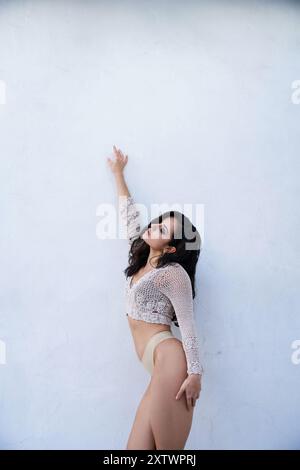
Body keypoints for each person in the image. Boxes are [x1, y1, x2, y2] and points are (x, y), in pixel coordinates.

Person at [107, 145, 204, 450]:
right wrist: (119, 173)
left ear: (172, 248)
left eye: (163, 228)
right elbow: (128, 213)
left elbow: (187, 324)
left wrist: (196, 373)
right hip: (155, 363)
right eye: (158, 220)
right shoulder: (139, 255)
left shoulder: (172, 273)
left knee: (167, 454)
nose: (154, 226)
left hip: (170, 356)